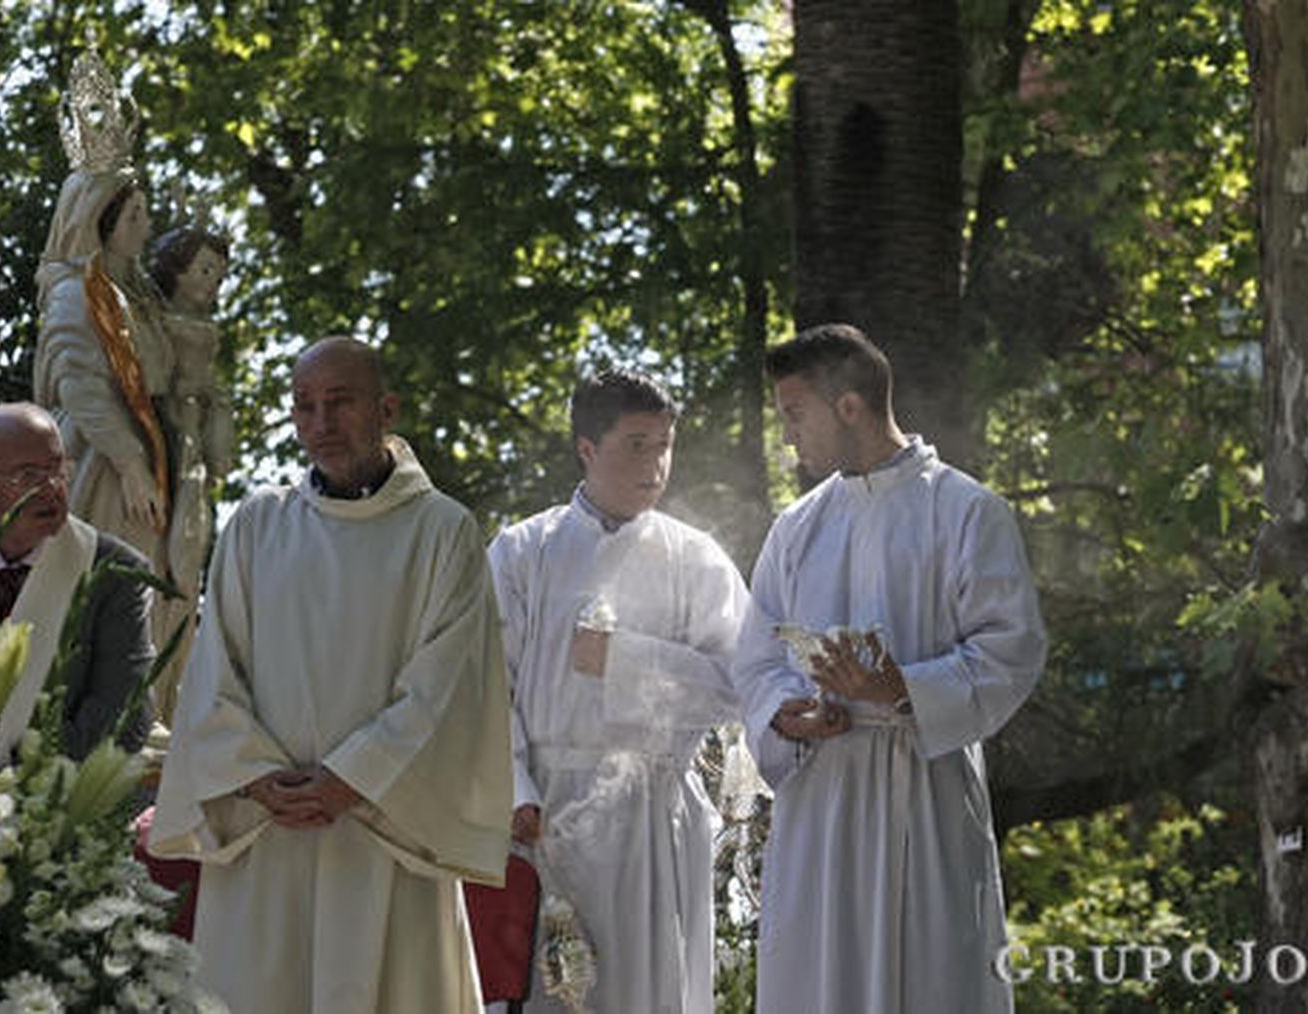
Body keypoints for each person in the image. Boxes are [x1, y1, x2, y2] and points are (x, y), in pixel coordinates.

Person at [149, 336, 512, 1013]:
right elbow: (212, 672)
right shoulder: (257, 527)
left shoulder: (443, 532)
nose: (320, 424)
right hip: (270, 833)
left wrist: (349, 779)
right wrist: (257, 778)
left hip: (384, 834)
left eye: (339, 403)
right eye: (305, 407)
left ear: (387, 409)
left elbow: (448, 687)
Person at [731, 324, 1047, 1013]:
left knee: (930, 978)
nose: (788, 436)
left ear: (849, 407)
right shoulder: (797, 528)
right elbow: (756, 661)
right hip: (823, 800)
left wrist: (901, 687)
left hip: (923, 790)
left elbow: (1011, 650)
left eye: (794, 414)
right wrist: (788, 714)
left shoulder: (965, 511)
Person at [479, 369, 748, 1014]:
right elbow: (484, 686)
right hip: (547, 813)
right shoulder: (521, 552)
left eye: (664, 444)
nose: (656, 464)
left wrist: (625, 660)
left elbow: (741, 684)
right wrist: (515, 790)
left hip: (654, 818)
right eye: (636, 444)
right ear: (587, 449)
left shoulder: (697, 558)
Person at [0, 403, 153, 832]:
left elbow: (123, 713)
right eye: (27, 476)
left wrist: (13, 787)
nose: (52, 489)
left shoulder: (116, 574)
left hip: (53, 830)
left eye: (57, 470)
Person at [33, 49, 183, 673]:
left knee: (145, 593)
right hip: (99, 463)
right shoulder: (76, 293)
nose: (146, 227)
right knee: (101, 593)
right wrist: (128, 464)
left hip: (146, 454)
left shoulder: (139, 298)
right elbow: (81, 386)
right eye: (136, 215)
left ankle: (139, 707)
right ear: (102, 221)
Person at [145, 223, 236, 721]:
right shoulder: (152, 317)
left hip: (192, 443)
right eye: (205, 269)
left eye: (219, 276)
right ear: (176, 266)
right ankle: (151, 675)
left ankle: (175, 677)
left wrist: (220, 440)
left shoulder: (208, 329)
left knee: (189, 556)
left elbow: (214, 394)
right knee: (163, 554)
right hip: (162, 439)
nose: (212, 283)